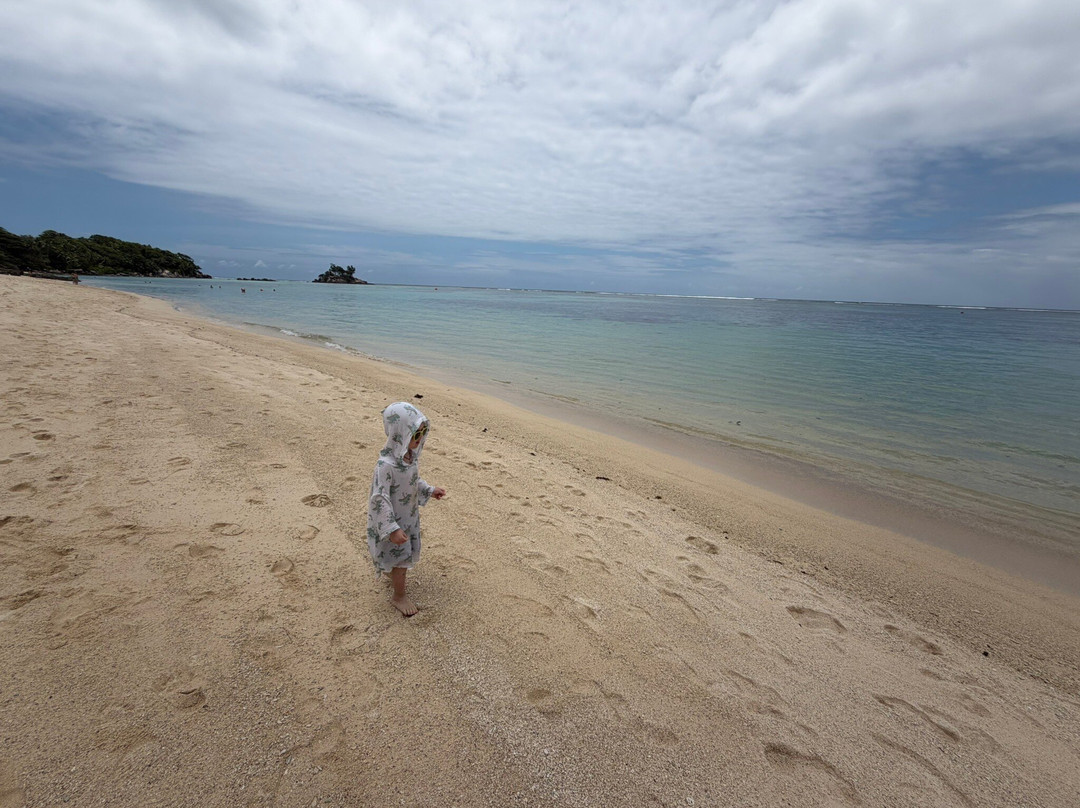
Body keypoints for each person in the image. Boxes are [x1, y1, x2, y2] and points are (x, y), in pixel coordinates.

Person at [367, 401, 446, 615]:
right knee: (401, 559)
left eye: (422, 434)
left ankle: (393, 577)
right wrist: (390, 528)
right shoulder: (385, 466)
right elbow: (379, 498)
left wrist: (429, 490)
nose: (419, 439)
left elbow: (414, 481)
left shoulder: (409, 459)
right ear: (399, 432)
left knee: (399, 554)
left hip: (408, 518)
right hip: (393, 521)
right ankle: (399, 596)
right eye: (415, 434)